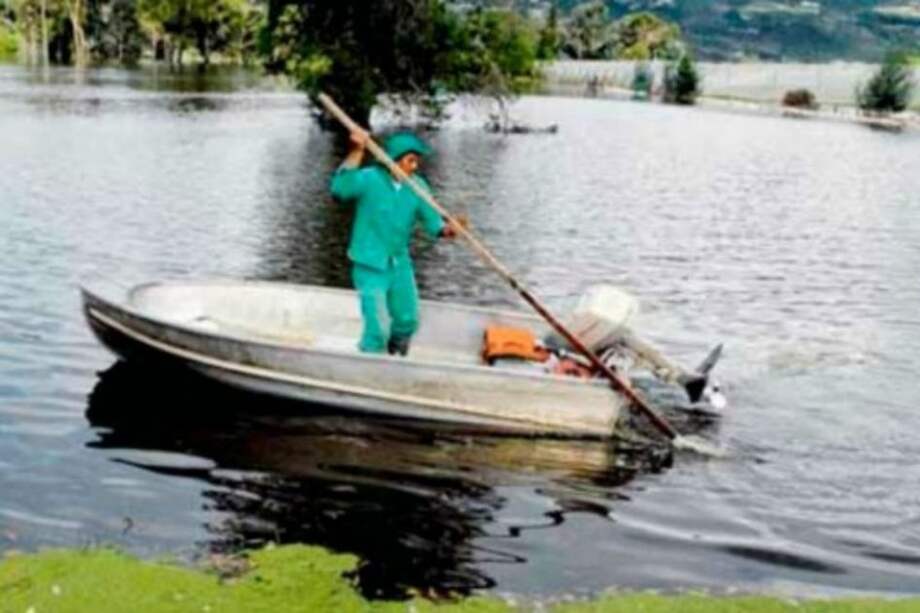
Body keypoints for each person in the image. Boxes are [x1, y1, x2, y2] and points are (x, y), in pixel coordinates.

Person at [329, 130, 457, 356]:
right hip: (369, 263)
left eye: (417, 161)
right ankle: (371, 360)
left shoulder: (417, 186)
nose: (415, 166)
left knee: (407, 319)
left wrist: (447, 230)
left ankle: (396, 357)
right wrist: (357, 150)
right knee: (377, 327)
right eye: (411, 160)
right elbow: (340, 190)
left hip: (399, 262)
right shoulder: (369, 179)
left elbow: (433, 222)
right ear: (394, 160)